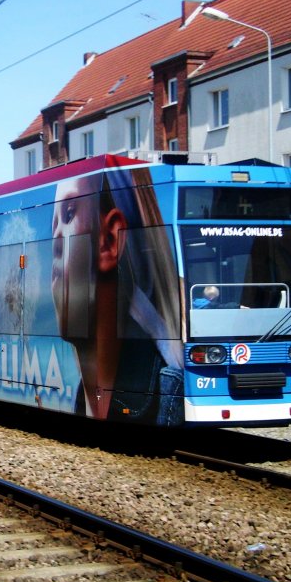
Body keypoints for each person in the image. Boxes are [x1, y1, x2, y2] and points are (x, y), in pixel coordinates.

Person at [51, 167, 183, 425]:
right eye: (52, 227)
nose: (54, 239)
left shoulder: (162, 399)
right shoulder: (86, 401)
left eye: (68, 215)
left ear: (110, 240)